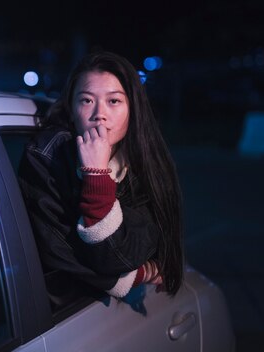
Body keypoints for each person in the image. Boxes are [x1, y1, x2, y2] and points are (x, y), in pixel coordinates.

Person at [18, 51, 183, 299]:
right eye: (86, 101)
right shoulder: (47, 155)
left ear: (132, 109)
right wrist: (95, 174)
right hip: (57, 310)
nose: (99, 114)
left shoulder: (144, 162)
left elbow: (129, 251)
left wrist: (99, 173)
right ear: (72, 110)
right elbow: (56, 250)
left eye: (114, 101)